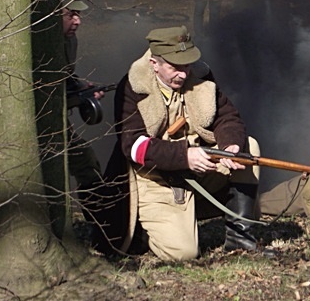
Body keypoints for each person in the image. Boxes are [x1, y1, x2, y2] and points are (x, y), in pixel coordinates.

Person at [100, 25, 269, 261]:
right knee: (183, 254)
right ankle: (146, 231)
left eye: (187, 64)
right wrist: (185, 156)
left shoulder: (201, 77)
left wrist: (230, 146)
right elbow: (134, 146)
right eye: (175, 67)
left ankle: (239, 237)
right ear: (154, 64)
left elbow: (227, 117)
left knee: (248, 147)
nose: (183, 73)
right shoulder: (132, 87)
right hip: (155, 180)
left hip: (200, 169)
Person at [61, 0, 104, 219]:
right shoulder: (31, 44)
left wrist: (81, 87)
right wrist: (77, 98)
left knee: (87, 164)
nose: (77, 21)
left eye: (79, 15)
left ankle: (97, 224)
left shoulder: (69, 40)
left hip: (57, 122)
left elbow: (64, 78)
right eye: (70, 15)